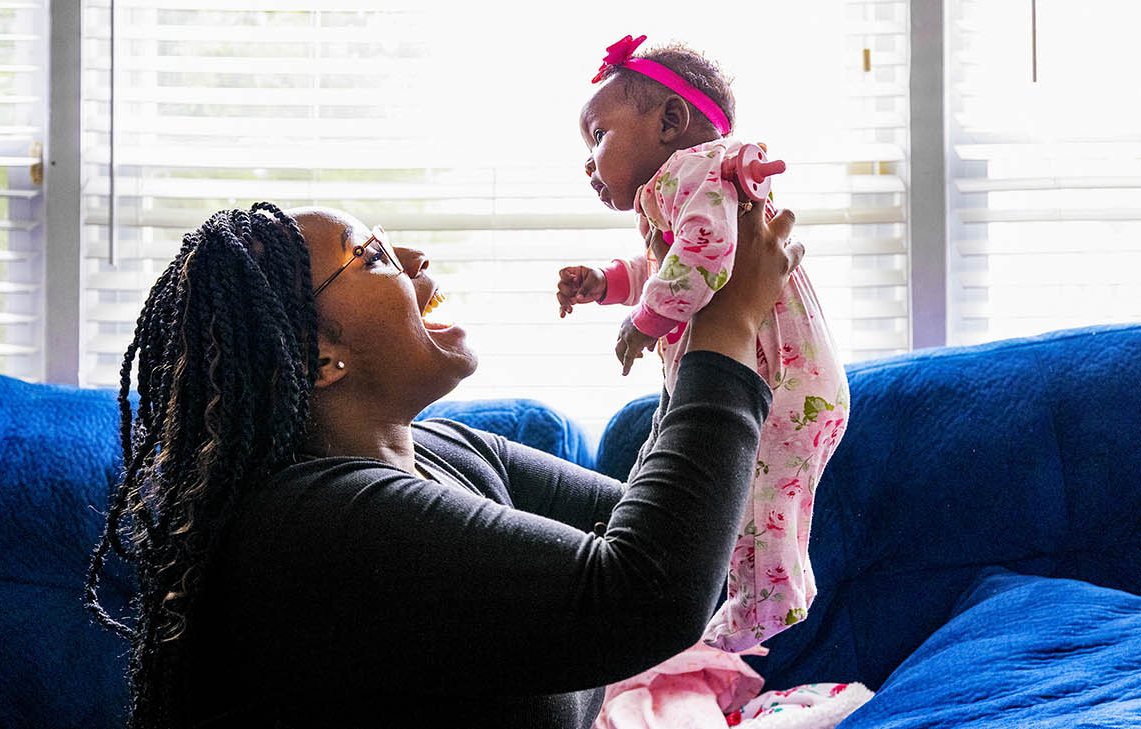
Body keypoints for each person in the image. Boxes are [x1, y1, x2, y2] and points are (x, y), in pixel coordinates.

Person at [85, 198, 802, 729]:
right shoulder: (318, 525)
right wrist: (726, 327)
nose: (415, 261)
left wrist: (682, 321)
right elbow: (649, 593)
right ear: (318, 357)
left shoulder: (447, 452)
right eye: (369, 256)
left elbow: (688, 543)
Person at [558, 35, 850, 658]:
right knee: (759, 503)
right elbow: (667, 266)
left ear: (670, 122)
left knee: (762, 503)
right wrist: (608, 283)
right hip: (787, 384)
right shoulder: (679, 193)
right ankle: (765, 595)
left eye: (599, 136)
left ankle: (766, 605)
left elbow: (705, 258)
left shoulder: (697, 171)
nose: (589, 163)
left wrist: (644, 322)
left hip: (783, 383)